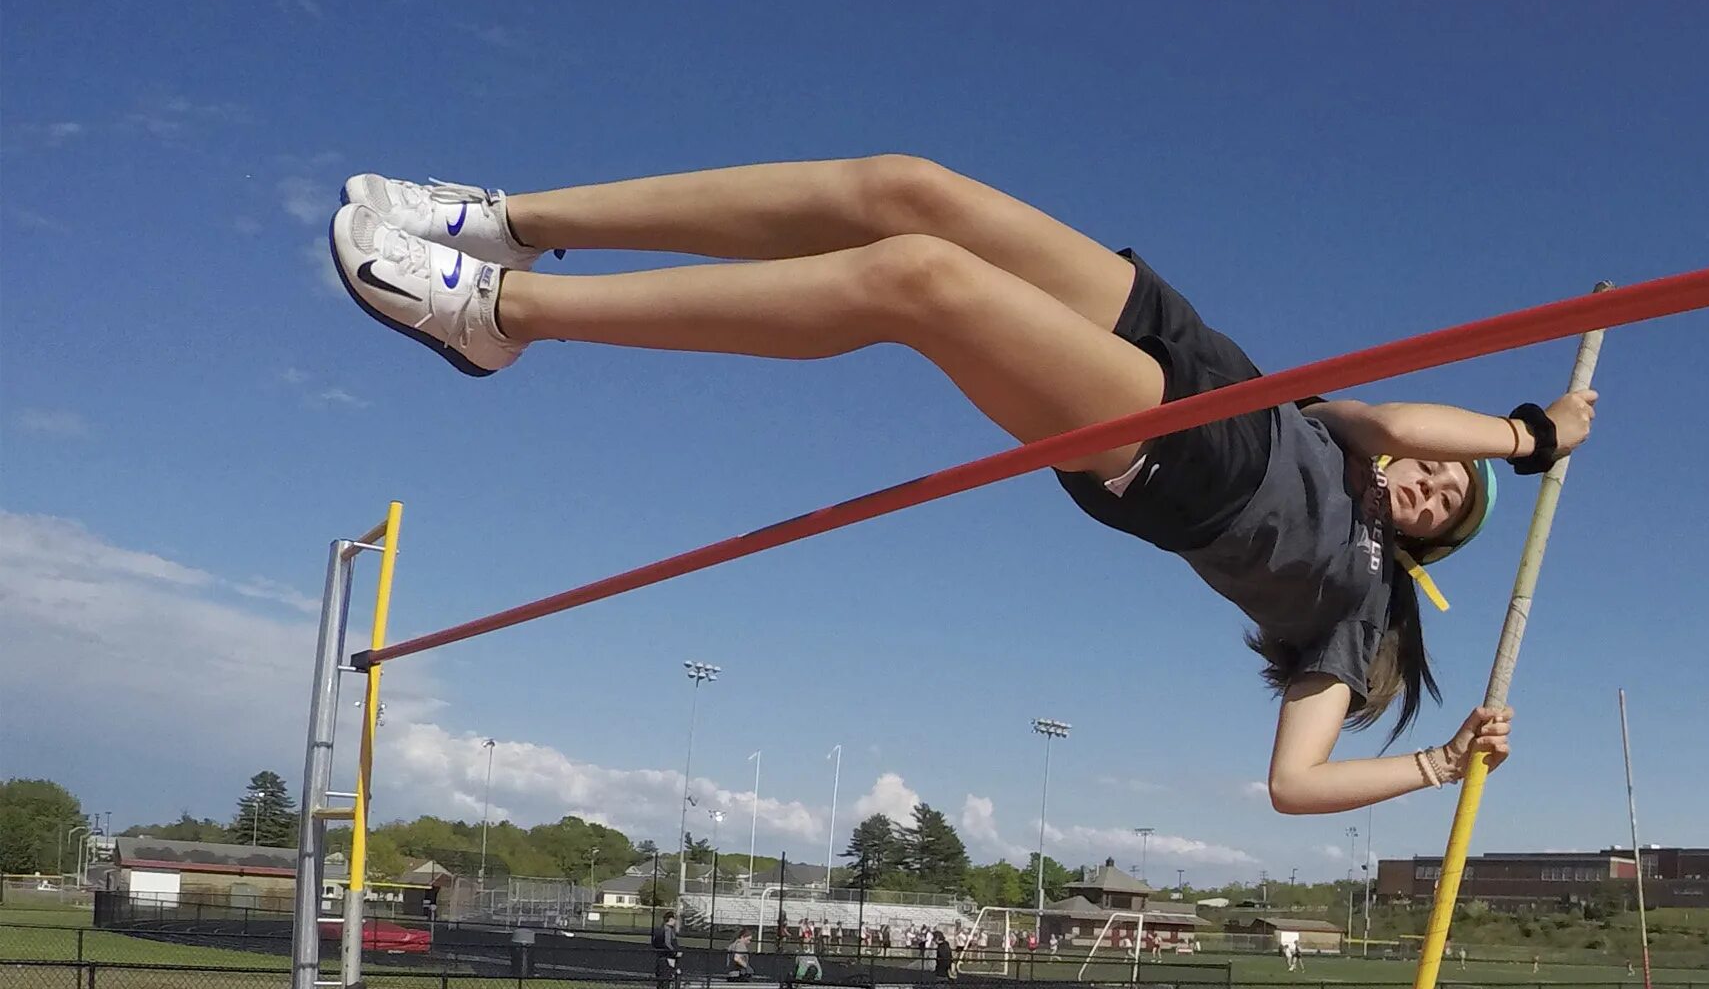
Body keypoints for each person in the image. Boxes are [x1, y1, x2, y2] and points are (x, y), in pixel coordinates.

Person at [331, 158, 1596, 813]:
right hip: (1207, 357)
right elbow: (1404, 416)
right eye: (1443, 472)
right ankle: (510, 221)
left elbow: (1295, 786)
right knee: (908, 189)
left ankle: (505, 313)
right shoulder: (1358, 429)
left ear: (1426, 552)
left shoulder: (1361, 610)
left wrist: (1437, 768)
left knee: (918, 280)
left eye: (1446, 508)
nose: (1434, 482)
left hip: (1187, 460)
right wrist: (1524, 436)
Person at [650, 911, 682, 989]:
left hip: (661, 958)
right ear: (671, 919)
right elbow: (668, 943)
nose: (676, 922)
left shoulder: (659, 930)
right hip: (667, 959)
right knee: (665, 981)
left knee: (662, 981)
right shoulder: (668, 930)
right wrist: (675, 952)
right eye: (675, 920)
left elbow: (655, 943)